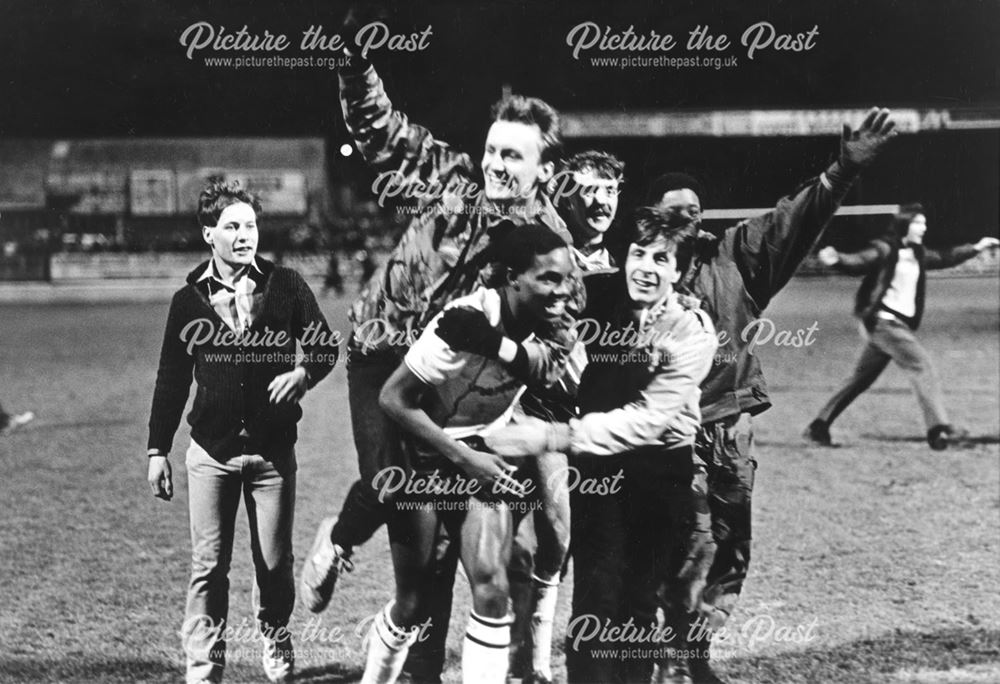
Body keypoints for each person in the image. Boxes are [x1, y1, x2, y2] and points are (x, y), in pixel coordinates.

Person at [299, 44, 582, 682]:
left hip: (459, 383)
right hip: (383, 349)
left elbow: (563, 337)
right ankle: (338, 540)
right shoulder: (450, 180)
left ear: (543, 166)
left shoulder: (548, 245)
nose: (495, 165)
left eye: (513, 155)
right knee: (393, 488)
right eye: (492, 150)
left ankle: (423, 663)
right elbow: (382, 130)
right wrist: (353, 66)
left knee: (442, 546)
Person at [645, 107, 898, 683]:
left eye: (693, 209)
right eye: (671, 211)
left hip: (730, 426)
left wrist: (841, 173)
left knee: (730, 551)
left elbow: (795, 219)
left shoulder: (734, 257)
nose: (685, 218)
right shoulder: (635, 271)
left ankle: (694, 653)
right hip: (666, 432)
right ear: (651, 218)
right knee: (684, 544)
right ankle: (662, 655)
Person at [485, 208, 719, 682]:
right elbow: (538, 300)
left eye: (661, 259)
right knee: (595, 598)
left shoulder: (691, 329)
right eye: (638, 254)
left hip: (659, 472)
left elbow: (649, 420)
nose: (646, 268)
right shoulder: (602, 292)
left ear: (678, 271)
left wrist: (556, 435)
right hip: (599, 471)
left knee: (638, 602)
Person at [145, 180, 339, 684]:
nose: (244, 234)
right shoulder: (187, 301)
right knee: (208, 567)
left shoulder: (287, 285)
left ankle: (275, 639)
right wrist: (157, 449)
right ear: (210, 234)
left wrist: (303, 374)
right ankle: (203, 665)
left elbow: (324, 346)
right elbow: (171, 378)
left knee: (274, 565)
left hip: (273, 457)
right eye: (231, 226)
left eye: (250, 225)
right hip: (211, 454)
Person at [364, 223, 575, 684]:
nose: (563, 292)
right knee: (413, 601)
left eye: (567, 278)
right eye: (550, 279)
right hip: (418, 453)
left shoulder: (558, 326)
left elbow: (543, 367)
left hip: (481, 453)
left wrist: (491, 342)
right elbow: (393, 399)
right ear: (515, 276)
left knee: (493, 586)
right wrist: (461, 457)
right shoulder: (462, 317)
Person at [805, 204, 999, 449]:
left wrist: (976, 247)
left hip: (893, 327)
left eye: (924, 222)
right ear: (905, 225)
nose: (924, 227)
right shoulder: (885, 248)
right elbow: (862, 260)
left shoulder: (917, 253)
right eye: (918, 222)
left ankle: (818, 426)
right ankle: (938, 428)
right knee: (922, 366)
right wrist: (839, 259)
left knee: (859, 380)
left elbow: (944, 257)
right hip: (885, 324)